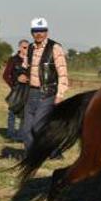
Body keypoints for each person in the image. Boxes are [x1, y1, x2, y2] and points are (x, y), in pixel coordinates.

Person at [21, 18, 69, 155]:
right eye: (36, 31)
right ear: (32, 33)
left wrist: (60, 96)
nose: (39, 34)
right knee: (26, 129)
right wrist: (22, 75)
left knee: (38, 126)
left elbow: (63, 74)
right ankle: (31, 156)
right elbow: (25, 67)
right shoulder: (30, 48)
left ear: (47, 32)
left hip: (48, 93)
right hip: (31, 93)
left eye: (42, 31)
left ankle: (54, 151)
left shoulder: (55, 48)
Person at [2, 39, 30, 141]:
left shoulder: (31, 60)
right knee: (12, 112)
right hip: (16, 90)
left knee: (25, 114)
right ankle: (10, 135)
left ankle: (21, 135)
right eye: (24, 47)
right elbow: (5, 75)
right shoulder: (13, 60)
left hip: (28, 90)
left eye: (28, 47)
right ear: (20, 48)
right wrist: (14, 83)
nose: (26, 49)